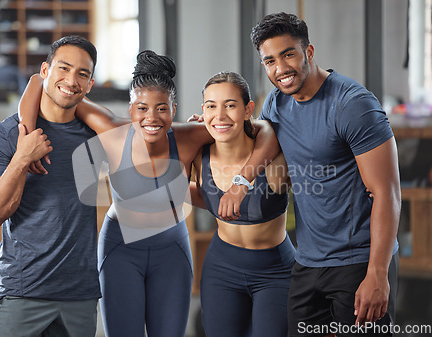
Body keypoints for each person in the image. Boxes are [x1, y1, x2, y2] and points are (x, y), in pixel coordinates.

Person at [19, 50, 280, 337]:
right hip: (120, 250)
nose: (151, 118)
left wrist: (241, 182)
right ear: (130, 109)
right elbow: (37, 82)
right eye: (142, 109)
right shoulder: (111, 130)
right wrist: (26, 136)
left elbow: (266, 130)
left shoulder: (191, 134)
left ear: (174, 109)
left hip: (172, 252)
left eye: (161, 109)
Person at [250, 12, 401, 337]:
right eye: (270, 61)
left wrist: (377, 272)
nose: (280, 69)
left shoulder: (352, 104)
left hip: (359, 261)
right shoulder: (276, 105)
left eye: (288, 54)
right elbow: (250, 143)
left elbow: (387, 193)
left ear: (309, 52)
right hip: (308, 262)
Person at [0, 35, 114, 337]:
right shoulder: (4, 134)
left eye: (82, 73)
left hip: (79, 295)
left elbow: (142, 140)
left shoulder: (95, 138)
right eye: (63, 68)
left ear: (90, 84)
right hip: (22, 291)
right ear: (44, 72)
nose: (71, 80)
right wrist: (22, 157)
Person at [190, 71, 295, 337]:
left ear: (248, 110)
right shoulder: (197, 156)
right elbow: (195, 194)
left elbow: (275, 132)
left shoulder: (273, 159)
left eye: (230, 105)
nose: (220, 115)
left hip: (275, 272)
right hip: (221, 268)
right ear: (203, 110)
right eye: (212, 106)